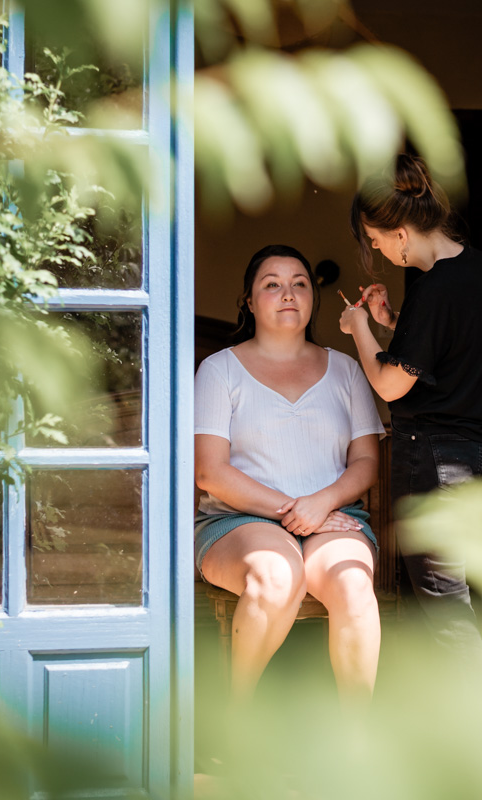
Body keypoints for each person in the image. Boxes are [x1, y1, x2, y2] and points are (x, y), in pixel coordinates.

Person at [195, 244, 385, 701]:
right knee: (276, 576)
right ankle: (238, 723)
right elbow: (209, 472)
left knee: (354, 583)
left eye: (299, 284)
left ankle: (357, 741)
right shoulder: (219, 370)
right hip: (239, 521)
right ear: (248, 299)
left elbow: (366, 463)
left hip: (332, 517)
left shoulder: (347, 371)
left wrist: (321, 505)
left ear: (312, 299)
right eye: (272, 284)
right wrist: (296, 510)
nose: (288, 294)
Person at [338, 154, 482, 671]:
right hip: (477, 460)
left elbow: (390, 385)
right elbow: (442, 358)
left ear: (400, 232)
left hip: (432, 463)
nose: (381, 252)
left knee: (443, 605)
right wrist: (391, 324)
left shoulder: (433, 287)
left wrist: (359, 328)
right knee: (462, 599)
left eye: (378, 239)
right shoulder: (476, 267)